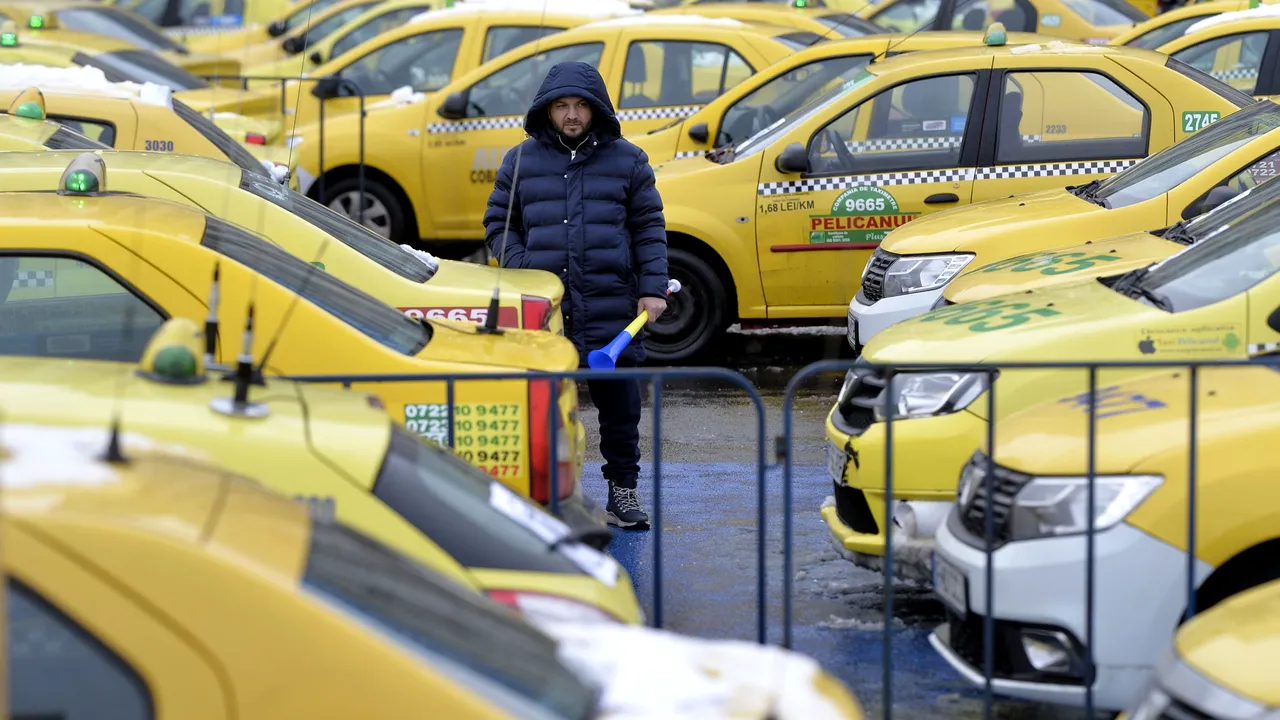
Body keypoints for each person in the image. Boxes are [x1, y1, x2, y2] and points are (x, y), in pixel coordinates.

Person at [482, 61, 668, 530]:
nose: (570, 115)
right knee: (542, 409)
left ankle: (622, 494)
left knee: (621, 412)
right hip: (546, 314)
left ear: (596, 109)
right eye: (561, 106)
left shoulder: (629, 160)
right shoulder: (519, 160)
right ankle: (543, 496)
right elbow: (499, 227)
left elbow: (649, 228)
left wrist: (651, 288)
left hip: (613, 306)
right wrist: (524, 269)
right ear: (546, 111)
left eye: (580, 106)